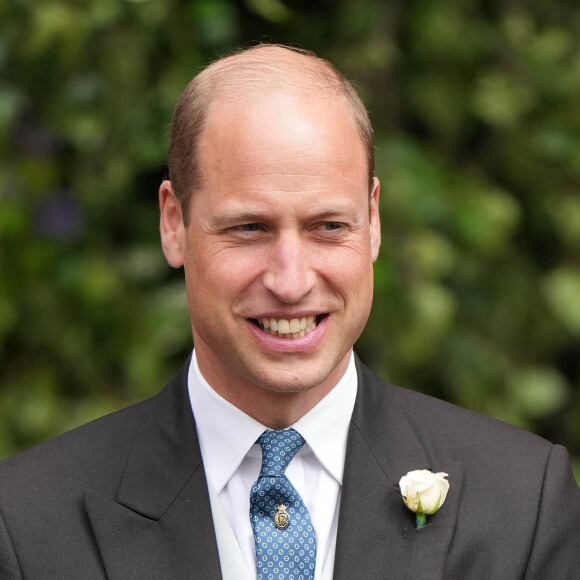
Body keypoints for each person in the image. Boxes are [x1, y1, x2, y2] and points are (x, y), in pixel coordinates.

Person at [0, 44, 578, 580]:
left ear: (373, 221)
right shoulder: (26, 522)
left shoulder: (523, 501)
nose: (291, 280)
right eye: (249, 229)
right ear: (173, 223)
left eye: (329, 227)